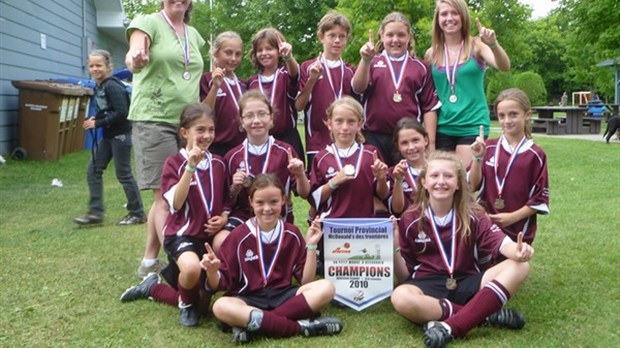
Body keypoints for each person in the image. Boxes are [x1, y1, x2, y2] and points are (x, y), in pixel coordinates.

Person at [390, 151, 533, 347]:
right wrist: (395, 246)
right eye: (434, 176)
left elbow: (498, 242)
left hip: (468, 281)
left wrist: (516, 251)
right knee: (400, 297)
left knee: (520, 266)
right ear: (423, 182)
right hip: (428, 284)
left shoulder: (473, 213)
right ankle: (483, 315)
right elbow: (406, 275)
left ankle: (451, 327)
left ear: (458, 183)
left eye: (448, 176)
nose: (441, 181)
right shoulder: (410, 218)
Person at [120, 103, 229, 328]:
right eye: (200, 130)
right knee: (190, 269)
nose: (207, 135)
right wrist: (190, 168)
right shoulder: (174, 163)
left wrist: (224, 217)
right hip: (183, 235)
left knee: (204, 308)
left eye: (211, 129)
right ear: (184, 132)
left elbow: (226, 200)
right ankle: (186, 305)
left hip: (208, 237)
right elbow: (176, 204)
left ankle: (153, 288)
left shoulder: (219, 163)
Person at [200, 174, 343, 343]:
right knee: (220, 306)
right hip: (248, 299)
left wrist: (311, 245)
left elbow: (306, 281)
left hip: (283, 296)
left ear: (283, 200)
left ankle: (255, 326)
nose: (267, 208)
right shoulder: (237, 236)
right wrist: (212, 272)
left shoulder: (292, 233)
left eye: (273, 202)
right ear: (251, 202)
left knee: (326, 288)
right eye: (260, 202)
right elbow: (220, 283)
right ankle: (301, 328)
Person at [125, 0, 205, 278]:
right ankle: (177, 262)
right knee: (166, 196)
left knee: (172, 196)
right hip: (154, 118)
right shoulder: (147, 22)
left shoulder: (193, 35)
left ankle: (149, 261)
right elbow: (134, 51)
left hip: (185, 123)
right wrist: (135, 58)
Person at [426, 0, 510, 167]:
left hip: (472, 124)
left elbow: (504, 66)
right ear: (437, 19)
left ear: (463, 16)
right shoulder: (431, 53)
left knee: (464, 180)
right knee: (444, 179)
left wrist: (493, 44)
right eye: (444, 14)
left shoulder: (477, 45)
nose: (449, 18)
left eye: (454, 13)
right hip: (443, 126)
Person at [309, 97, 388, 268]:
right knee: (335, 271)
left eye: (351, 122)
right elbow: (314, 198)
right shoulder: (321, 157)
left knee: (361, 269)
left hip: (365, 227)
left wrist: (381, 178)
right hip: (333, 227)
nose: (345, 127)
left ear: (359, 124)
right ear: (329, 124)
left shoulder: (370, 154)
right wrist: (334, 182)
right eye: (339, 121)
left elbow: (382, 195)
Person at [352, 12, 440, 166]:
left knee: (408, 183)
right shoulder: (371, 62)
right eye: (390, 35)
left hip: (408, 138)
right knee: (377, 183)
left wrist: (430, 144)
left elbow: (429, 107)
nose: (395, 40)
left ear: (409, 36)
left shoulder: (422, 67)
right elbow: (358, 88)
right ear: (382, 36)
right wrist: (365, 60)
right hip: (374, 136)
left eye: (401, 35)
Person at [74, 50, 146, 226]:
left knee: (124, 174)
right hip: (108, 136)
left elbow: (122, 113)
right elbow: (107, 109)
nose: (95, 69)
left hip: (121, 135)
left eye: (99, 65)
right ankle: (95, 213)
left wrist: (98, 124)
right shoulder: (99, 86)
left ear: (108, 66)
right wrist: (96, 118)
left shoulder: (112, 86)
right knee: (94, 170)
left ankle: (137, 213)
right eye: (91, 66)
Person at [469, 88, 549, 247]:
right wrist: (477, 158)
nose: (507, 120)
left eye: (513, 114)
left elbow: (539, 199)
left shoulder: (536, 155)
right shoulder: (488, 148)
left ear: (527, 115)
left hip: (518, 228)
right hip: (487, 224)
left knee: (516, 265)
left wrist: (512, 217)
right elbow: (472, 185)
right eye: (502, 116)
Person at [224, 90, 309, 231]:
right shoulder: (232, 156)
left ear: (271, 119)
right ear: (241, 121)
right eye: (249, 115)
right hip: (244, 218)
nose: (256, 120)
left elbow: (304, 194)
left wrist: (300, 174)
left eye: (262, 114)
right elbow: (227, 200)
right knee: (221, 241)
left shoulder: (286, 152)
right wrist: (234, 188)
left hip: (276, 215)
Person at [295, 11, 357, 166]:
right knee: (319, 188)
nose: (337, 40)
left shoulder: (351, 71)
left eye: (342, 36)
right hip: (317, 142)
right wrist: (312, 80)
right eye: (332, 35)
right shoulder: (307, 67)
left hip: (346, 140)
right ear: (321, 36)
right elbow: (298, 105)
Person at [247, 28, 304, 165]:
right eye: (260, 50)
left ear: (279, 51)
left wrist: (289, 57)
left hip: (287, 137)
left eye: (269, 49)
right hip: (261, 139)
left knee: (294, 177)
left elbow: (295, 74)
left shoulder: (285, 75)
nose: (264, 53)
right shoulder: (252, 82)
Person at [199, 31, 246, 157]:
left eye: (238, 54)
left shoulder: (242, 84)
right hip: (215, 147)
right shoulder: (206, 79)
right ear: (216, 53)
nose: (233, 59)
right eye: (228, 53)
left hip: (240, 147)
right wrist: (215, 86)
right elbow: (205, 112)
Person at [386, 117, 429, 217]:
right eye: (404, 143)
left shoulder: (439, 168)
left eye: (415, 140)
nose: (411, 147)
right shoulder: (393, 172)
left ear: (426, 140)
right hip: (408, 228)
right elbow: (397, 209)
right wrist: (399, 180)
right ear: (398, 146)